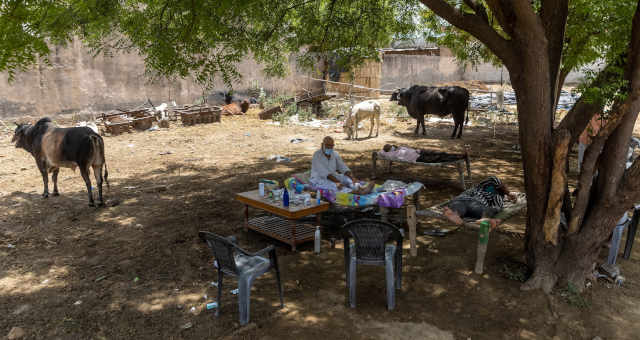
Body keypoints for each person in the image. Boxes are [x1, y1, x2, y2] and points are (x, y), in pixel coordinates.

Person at [442, 176, 517, 229]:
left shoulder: (498, 196)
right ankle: (481, 220)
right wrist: (508, 193)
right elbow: (494, 179)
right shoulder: (480, 187)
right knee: (460, 205)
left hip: (476, 204)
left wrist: (504, 195)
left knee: (462, 207)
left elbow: (496, 208)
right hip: (466, 199)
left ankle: (456, 215)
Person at [381, 144, 469, 163]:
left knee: (440, 153)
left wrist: (396, 146)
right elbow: (381, 153)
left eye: (390, 145)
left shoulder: (399, 148)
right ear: (388, 150)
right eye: (389, 147)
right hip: (416, 158)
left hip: (419, 151)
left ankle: (459, 155)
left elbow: (399, 147)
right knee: (439, 158)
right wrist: (385, 150)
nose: (391, 146)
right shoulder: (390, 154)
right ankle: (460, 157)